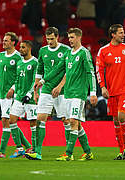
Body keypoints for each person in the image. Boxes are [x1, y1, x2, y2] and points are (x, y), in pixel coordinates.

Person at [34, 28, 97, 161]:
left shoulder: (84, 53)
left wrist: (92, 92)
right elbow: (58, 69)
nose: (70, 40)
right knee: (76, 124)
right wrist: (43, 80)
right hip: (67, 93)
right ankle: (88, 152)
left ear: (79, 37)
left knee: (73, 121)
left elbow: (90, 73)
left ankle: (68, 154)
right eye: (69, 37)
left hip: (78, 93)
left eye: (72, 37)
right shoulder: (68, 54)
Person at [96, 24, 125, 160]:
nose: (123, 35)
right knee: (116, 120)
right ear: (113, 34)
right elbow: (99, 70)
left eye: (123, 32)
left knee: (122, 116)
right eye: (121, 33)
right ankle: (121, 150)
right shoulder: (103, 51)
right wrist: (103, 87)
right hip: (111, 91)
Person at [27, 27, 70, 160]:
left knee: (66, 120)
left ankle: (69, 152)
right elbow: (39, 70)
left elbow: (68, 72)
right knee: (40, 118)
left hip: (61, 90)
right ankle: (37, 152)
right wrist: (35, 90)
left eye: (52, 39)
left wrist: (60, 86)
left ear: (57, 37)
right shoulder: (42, 50)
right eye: (48, 39)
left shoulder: (66, 50)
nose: (50, 41)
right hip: (46, 89)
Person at [0, 32, 30, 158]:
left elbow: (20, 75)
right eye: (3, 40)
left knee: (7, 120)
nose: (3, 42)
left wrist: (13, 88)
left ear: (13, 43)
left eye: (6, 40)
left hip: (14, 94)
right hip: (3, 95)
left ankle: (3, 151)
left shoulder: (18, 57)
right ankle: (27, 147)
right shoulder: (0, 56)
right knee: (10, 121)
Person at [8, 40, 38, 158]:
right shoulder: (19, 63)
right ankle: (20, 148)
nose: (20, 49)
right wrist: (13, 89)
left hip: (30, 99)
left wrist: (30, 94)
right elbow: (17, 79)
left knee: (33, 124)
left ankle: (34, 149)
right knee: (11, 120)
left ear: (29, 48)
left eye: (23, 47)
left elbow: (34, 81)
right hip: (19, 98)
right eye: (20, 47)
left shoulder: (35, 63)